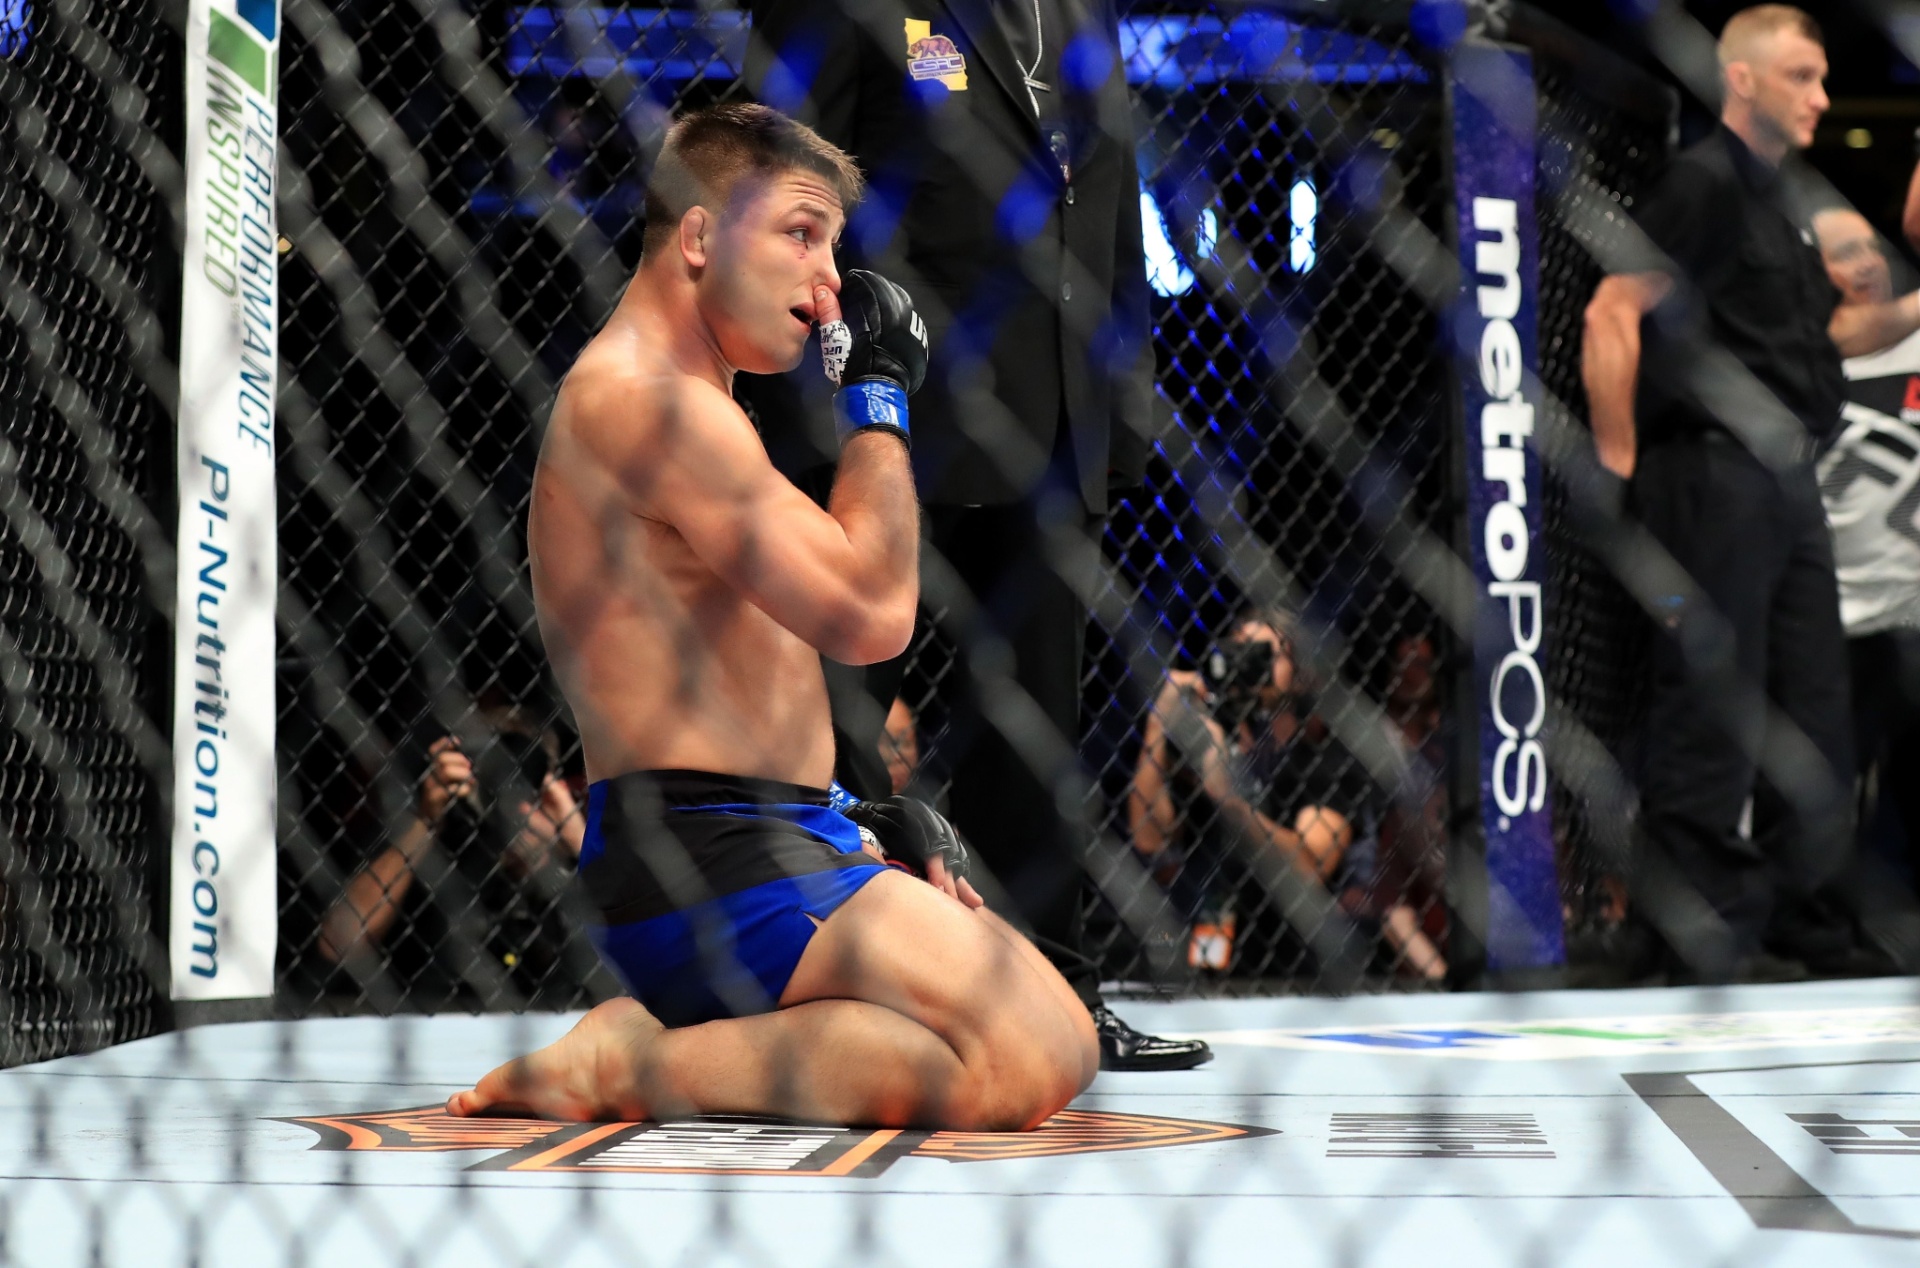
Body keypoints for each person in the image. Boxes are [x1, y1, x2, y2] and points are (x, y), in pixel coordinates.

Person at [447, 104, 1096, 1130]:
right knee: (1036, 1053)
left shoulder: (701, 406)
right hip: (712, 855)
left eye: (833, 244)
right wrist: (879, 399)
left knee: (1045, 1037)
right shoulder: (650, 403)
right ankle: (633, 1065)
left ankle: (663, 1050)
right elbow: (874, 612)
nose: (831, 282)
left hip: (771, 833)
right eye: (801, 232)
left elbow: (733, 668)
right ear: (699, 236)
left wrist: (857, 808)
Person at [742, 0, 1209, 1072]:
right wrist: (801, 395)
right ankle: (802, 980)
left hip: (1054, 415)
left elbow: (1108, 210)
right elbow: (778, 188)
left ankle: (1060, 1000)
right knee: (833, 719)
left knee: (1037, 738)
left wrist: (1122, 407)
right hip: (886, 413)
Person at [1580, 6, 1916, 979]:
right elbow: (1613, 309)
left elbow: (1829, 340)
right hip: (1714, 468)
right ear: (1744, 81)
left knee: (1816, 712)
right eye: (1803, 77)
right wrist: (1617, 465)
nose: (1822, 97)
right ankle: (1701, 933)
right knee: (1712, 703)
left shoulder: (1781, 202)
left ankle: (1796, 916)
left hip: (1790, 470)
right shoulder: (1703, 180)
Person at [1127, 609, 1444, 980]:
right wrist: (1158, 725)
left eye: (1266, 654)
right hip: (1208, 954)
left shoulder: (1329, 754)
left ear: (1298, 674)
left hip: (1298, 970)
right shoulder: (1211, 738)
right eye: (1240, 651)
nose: (1249, 665)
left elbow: (1309, 865)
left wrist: (1227, 798)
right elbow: (1150, 840)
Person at [315, 726, 595, 1008]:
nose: (516, 805)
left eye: (527, 783)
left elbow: (635, 956)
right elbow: (338, 944)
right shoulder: (442, 849)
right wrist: (427, 821)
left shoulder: (582, 864)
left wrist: (578, 841)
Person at [1810, 206, 1920, 887]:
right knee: (1823, 791)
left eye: (1871, 248)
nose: (1869, 263)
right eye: (1846, 253)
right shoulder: (1799, 351)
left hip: (1913, 611)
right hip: (1829, 615)